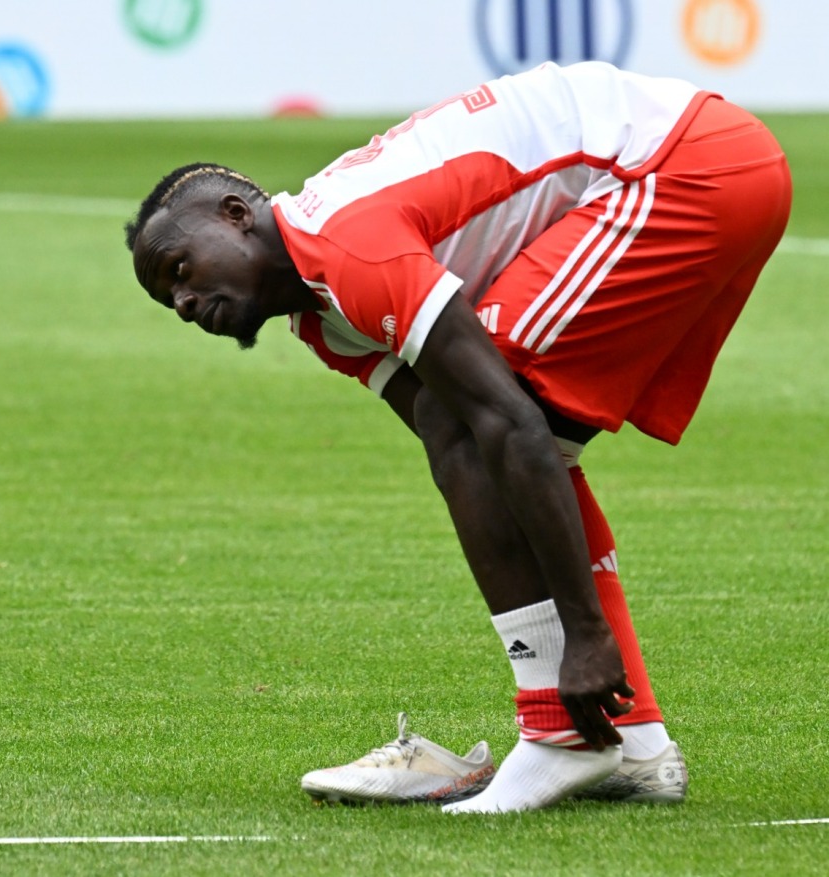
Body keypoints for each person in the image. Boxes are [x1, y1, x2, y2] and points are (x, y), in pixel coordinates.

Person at [123, 61, 791, 812]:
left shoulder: (345, 242)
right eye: (168, 297)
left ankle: (559, 733)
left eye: (180, 268)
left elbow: (504, 425)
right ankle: (630, 743)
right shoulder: (322, 320)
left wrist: (585, 633)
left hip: (684, 163)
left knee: (503, 412)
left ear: (237, 215)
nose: (183, 300)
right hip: (701, 159)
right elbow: (459, 443)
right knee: (479, 424)